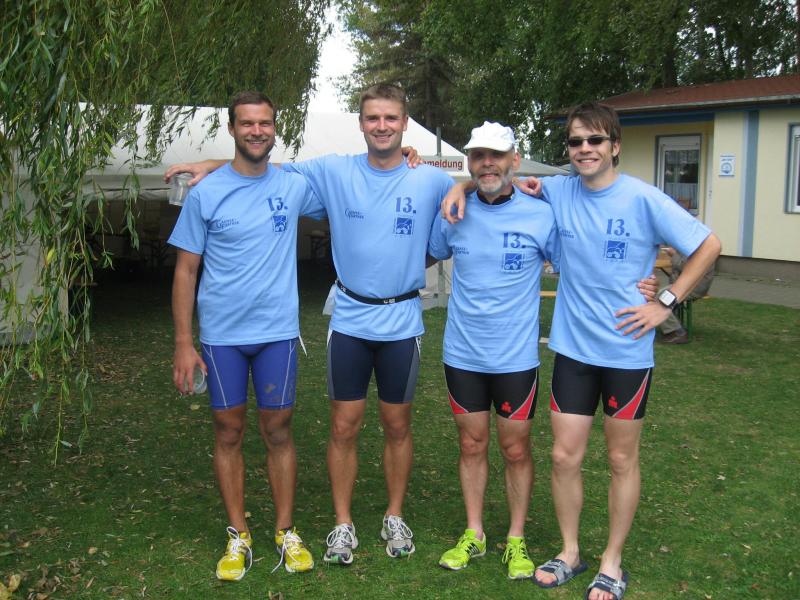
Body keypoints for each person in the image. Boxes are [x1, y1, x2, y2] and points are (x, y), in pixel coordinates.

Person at [442, 102, 721, 600]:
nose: (585, 149)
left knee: (620, 458)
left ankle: (612, 562)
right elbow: (496, 181)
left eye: (595, 140)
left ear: (615, 146)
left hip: (627, 352)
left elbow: (709, 245)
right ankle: (570, 551)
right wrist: (457, 185)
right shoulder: (556, 191)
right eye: (576, 141)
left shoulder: (643, 198)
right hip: (572, 349)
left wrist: (665, 301)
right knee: (564, 456)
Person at [167, 84, 454, 565]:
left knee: (388, 424)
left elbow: (458, 206)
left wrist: (463, 188)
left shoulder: (427, 179)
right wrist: (210, 165)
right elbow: (256, 169)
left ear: (405, 123)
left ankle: (377, 517)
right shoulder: (329, 171)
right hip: (323, 322)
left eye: (390, 118)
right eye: (372, 117)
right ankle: (317, 525)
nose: (381, 126)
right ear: (360, 123)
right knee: (321, 426)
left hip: (383, 322)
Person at [168, 91, 325, 580]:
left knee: (278, 430)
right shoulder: (206, 193)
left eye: (265, 123)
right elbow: (185, 271)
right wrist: (184, 343)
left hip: (277, 332)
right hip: (222, 336)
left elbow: (359, 176)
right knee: (228, 430)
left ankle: (285, 530)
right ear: (232, 128)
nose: (257, 131)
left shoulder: (293, 186)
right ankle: (238, 533)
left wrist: (407, 154)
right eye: (247, 124)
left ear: (275, 128)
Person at [428, 122, 559, 579]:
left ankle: (517, 537)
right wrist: (457, 188)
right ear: (469, 161)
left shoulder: (541, 215)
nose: (487, 163)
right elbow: (429, 251)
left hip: (515, 357)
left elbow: (575, 264)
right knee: (471, 444)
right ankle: (475, 532)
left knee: (516, 448)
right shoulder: (454, 211)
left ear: (514, 160)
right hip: (463, 353)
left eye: (496, 155)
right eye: (478, 155)